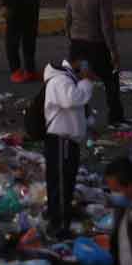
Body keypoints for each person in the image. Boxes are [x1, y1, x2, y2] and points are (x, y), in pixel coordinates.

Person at [65, 0, 125, 124]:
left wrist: (70, 37)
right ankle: (115, 116)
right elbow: (106, 26)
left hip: (77, 45)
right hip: (96, 46)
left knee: (78, 81)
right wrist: (113, 51)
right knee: (110, 79)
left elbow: (68, 20)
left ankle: (80, 116)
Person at [42, 58, 94, 237]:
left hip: (66, 140)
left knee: (65, 181)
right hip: (61, 140)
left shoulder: (68, 79)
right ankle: (59, 226)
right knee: (62, 183)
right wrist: (86, 81)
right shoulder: (60, 80)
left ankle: (57, 219)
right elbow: (72, 100)